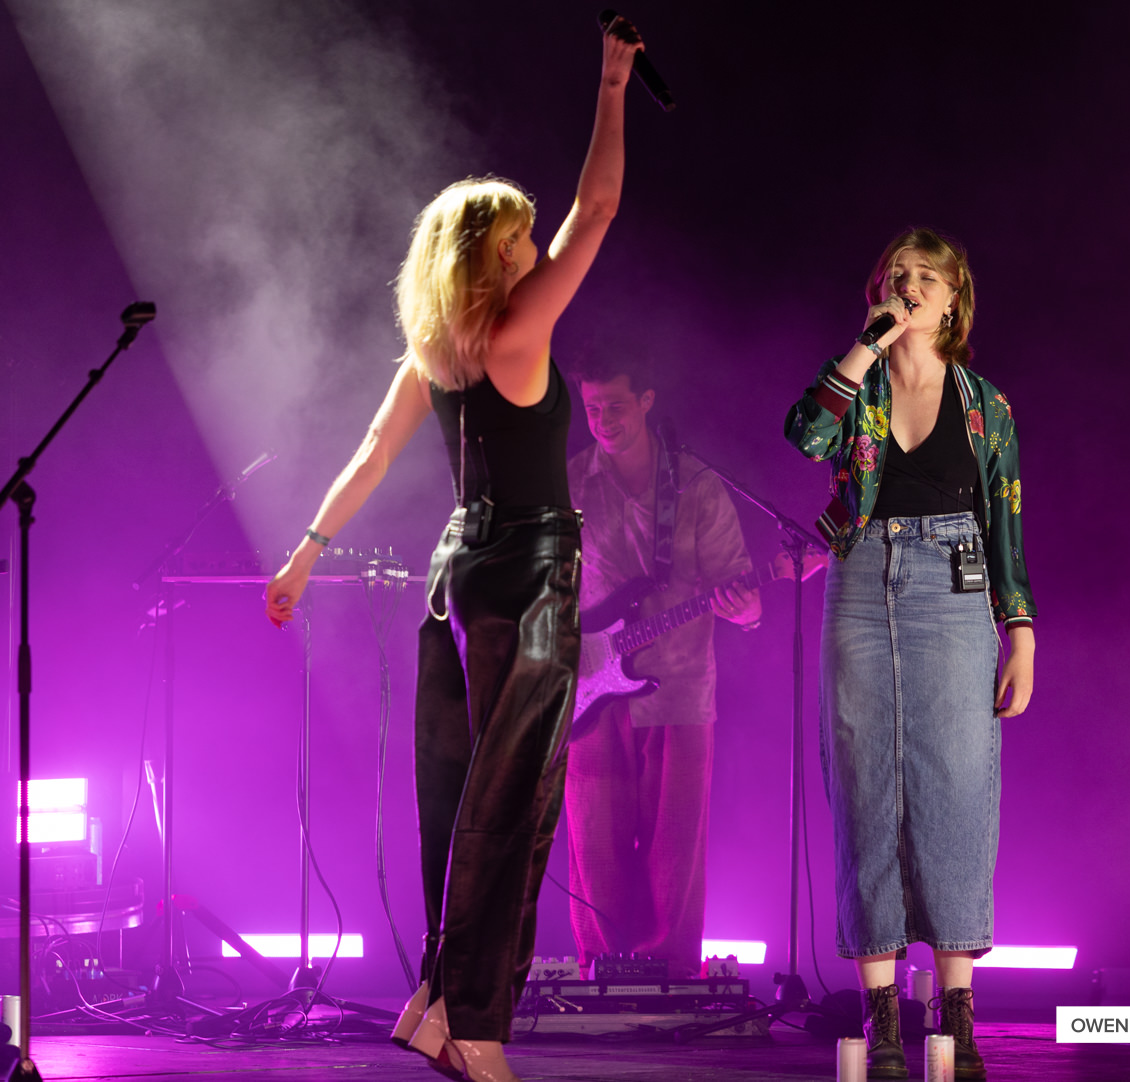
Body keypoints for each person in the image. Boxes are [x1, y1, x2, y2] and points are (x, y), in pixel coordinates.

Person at [263, 21, 643, 1082]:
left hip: (451, 574)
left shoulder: (433, 350)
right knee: (511, 800)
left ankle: (434, 993)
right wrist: (610, 83)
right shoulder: (518, 330)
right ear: (496, 253)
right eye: (519, 235)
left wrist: (302, 554)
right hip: (525, 577)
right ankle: (475, 1024)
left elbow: (372, 453)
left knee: (452, 793)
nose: (534, 246)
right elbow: (599, 209)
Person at [783, 228, 1036, 1081]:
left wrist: (1022, 632)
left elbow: (1007, 527)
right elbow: (802, 435)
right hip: (861, 580)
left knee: (956, 776)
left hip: (955, 590)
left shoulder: (986, 406)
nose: (909, 286)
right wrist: (865, 346)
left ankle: (957, 1020)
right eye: (897, 275)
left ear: (956, 297)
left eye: (925, 277)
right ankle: (882, 1020)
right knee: (865, 780)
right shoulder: (860, 386)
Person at [564, 358, 760, 978]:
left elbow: (739, 590)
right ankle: (600, 969)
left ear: (647, 399)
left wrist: (747, 606)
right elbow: (548, 587)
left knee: (675, 849)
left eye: (615, 407)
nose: (603, 422)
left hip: (679, 692)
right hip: (590, 692)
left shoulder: (697, 486)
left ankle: (671, 976)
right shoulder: (571, 485)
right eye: (592, 409)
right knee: (592, 844)